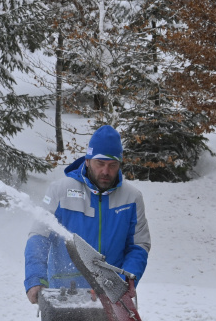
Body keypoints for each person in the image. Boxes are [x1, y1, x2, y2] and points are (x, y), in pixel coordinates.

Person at [24, 125, 150, 304]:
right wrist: (36, 278)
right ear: (88, 160)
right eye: (100, 163)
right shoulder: (61, 191)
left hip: (112, 298)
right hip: (63, 296)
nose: (106, 171)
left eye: (112, 165)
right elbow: (39, 235)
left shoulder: (132, 198)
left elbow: (139, 246)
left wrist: (121, 285)